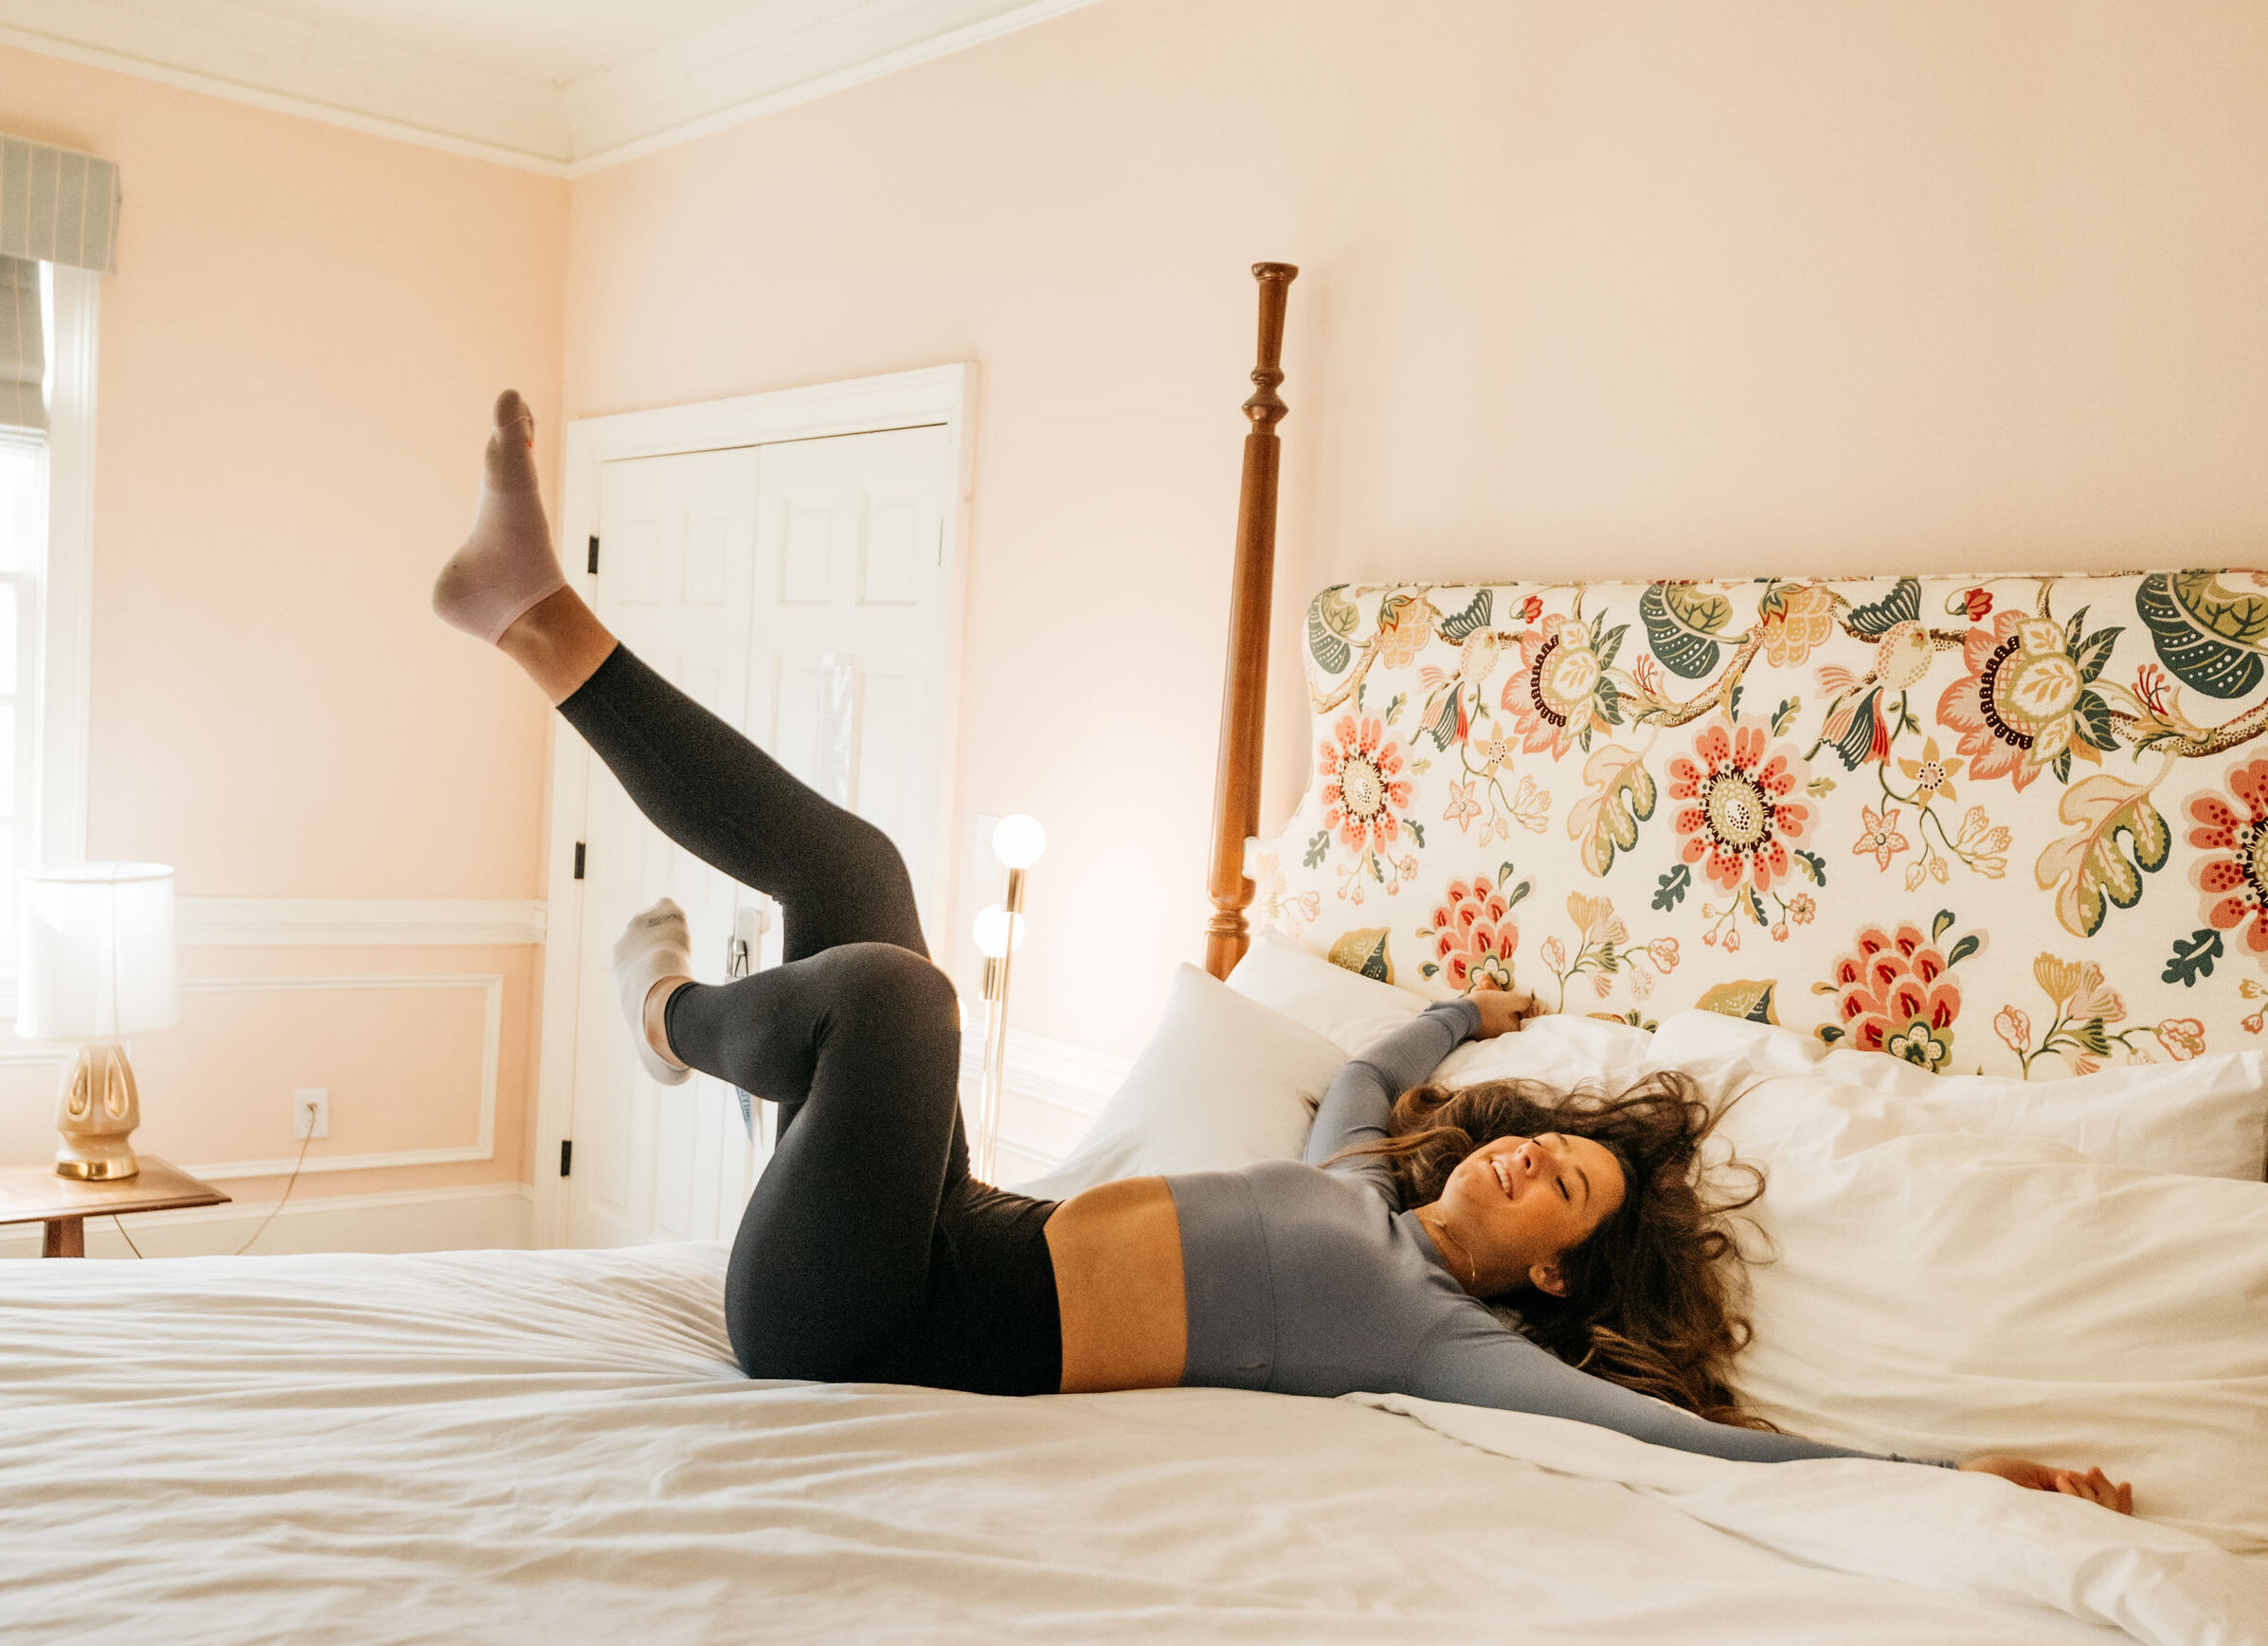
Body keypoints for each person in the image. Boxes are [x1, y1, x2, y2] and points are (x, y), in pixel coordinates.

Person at [433, 390, 2133, 1514]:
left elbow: (1702, 1447)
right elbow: (1380, 1064)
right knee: (859, 865)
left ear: (1546, 1275)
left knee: (898, 992)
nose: (1535, 1151)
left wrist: (1944, 1463)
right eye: (1547, 1142)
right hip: (946, 1221)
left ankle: (666, 1015)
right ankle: (540, 618)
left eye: (1567, 1192)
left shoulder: (1429, 1334)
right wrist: (1477, 1006)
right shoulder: (1363, 1181)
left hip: (864, 1313)